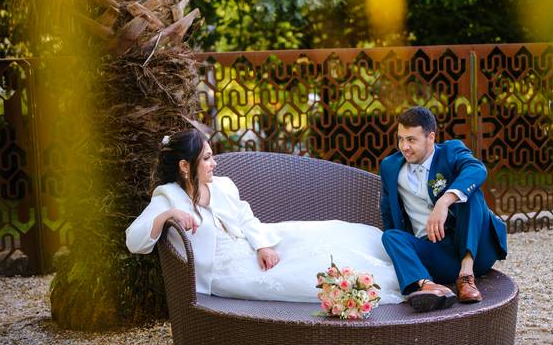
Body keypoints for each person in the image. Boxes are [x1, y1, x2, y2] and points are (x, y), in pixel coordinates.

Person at [125, 129, 404, 304]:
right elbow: (134, 241)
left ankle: (405, 262)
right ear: (185, 166)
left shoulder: (221, 186)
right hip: (228, 272)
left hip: (254, 244)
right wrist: (168, 215)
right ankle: (396, 281)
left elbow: (245, 217)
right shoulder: (168, 197)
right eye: (207, 158)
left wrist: (262, 245)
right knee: (311, 269)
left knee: (323, 234)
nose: (214, 163)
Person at [379, 106, 507, 312]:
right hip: (436, 254)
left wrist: (444, 202)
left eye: (411, 140)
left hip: (476, 251)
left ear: (430, 137)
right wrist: (402, 255)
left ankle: (466, 277)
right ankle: (428, 286)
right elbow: (388, 212)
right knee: (390, 236)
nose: (404, 146)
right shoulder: (390, 167)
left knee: (470, 195)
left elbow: (477, 169)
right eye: (400, 139)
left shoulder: (450, 151)